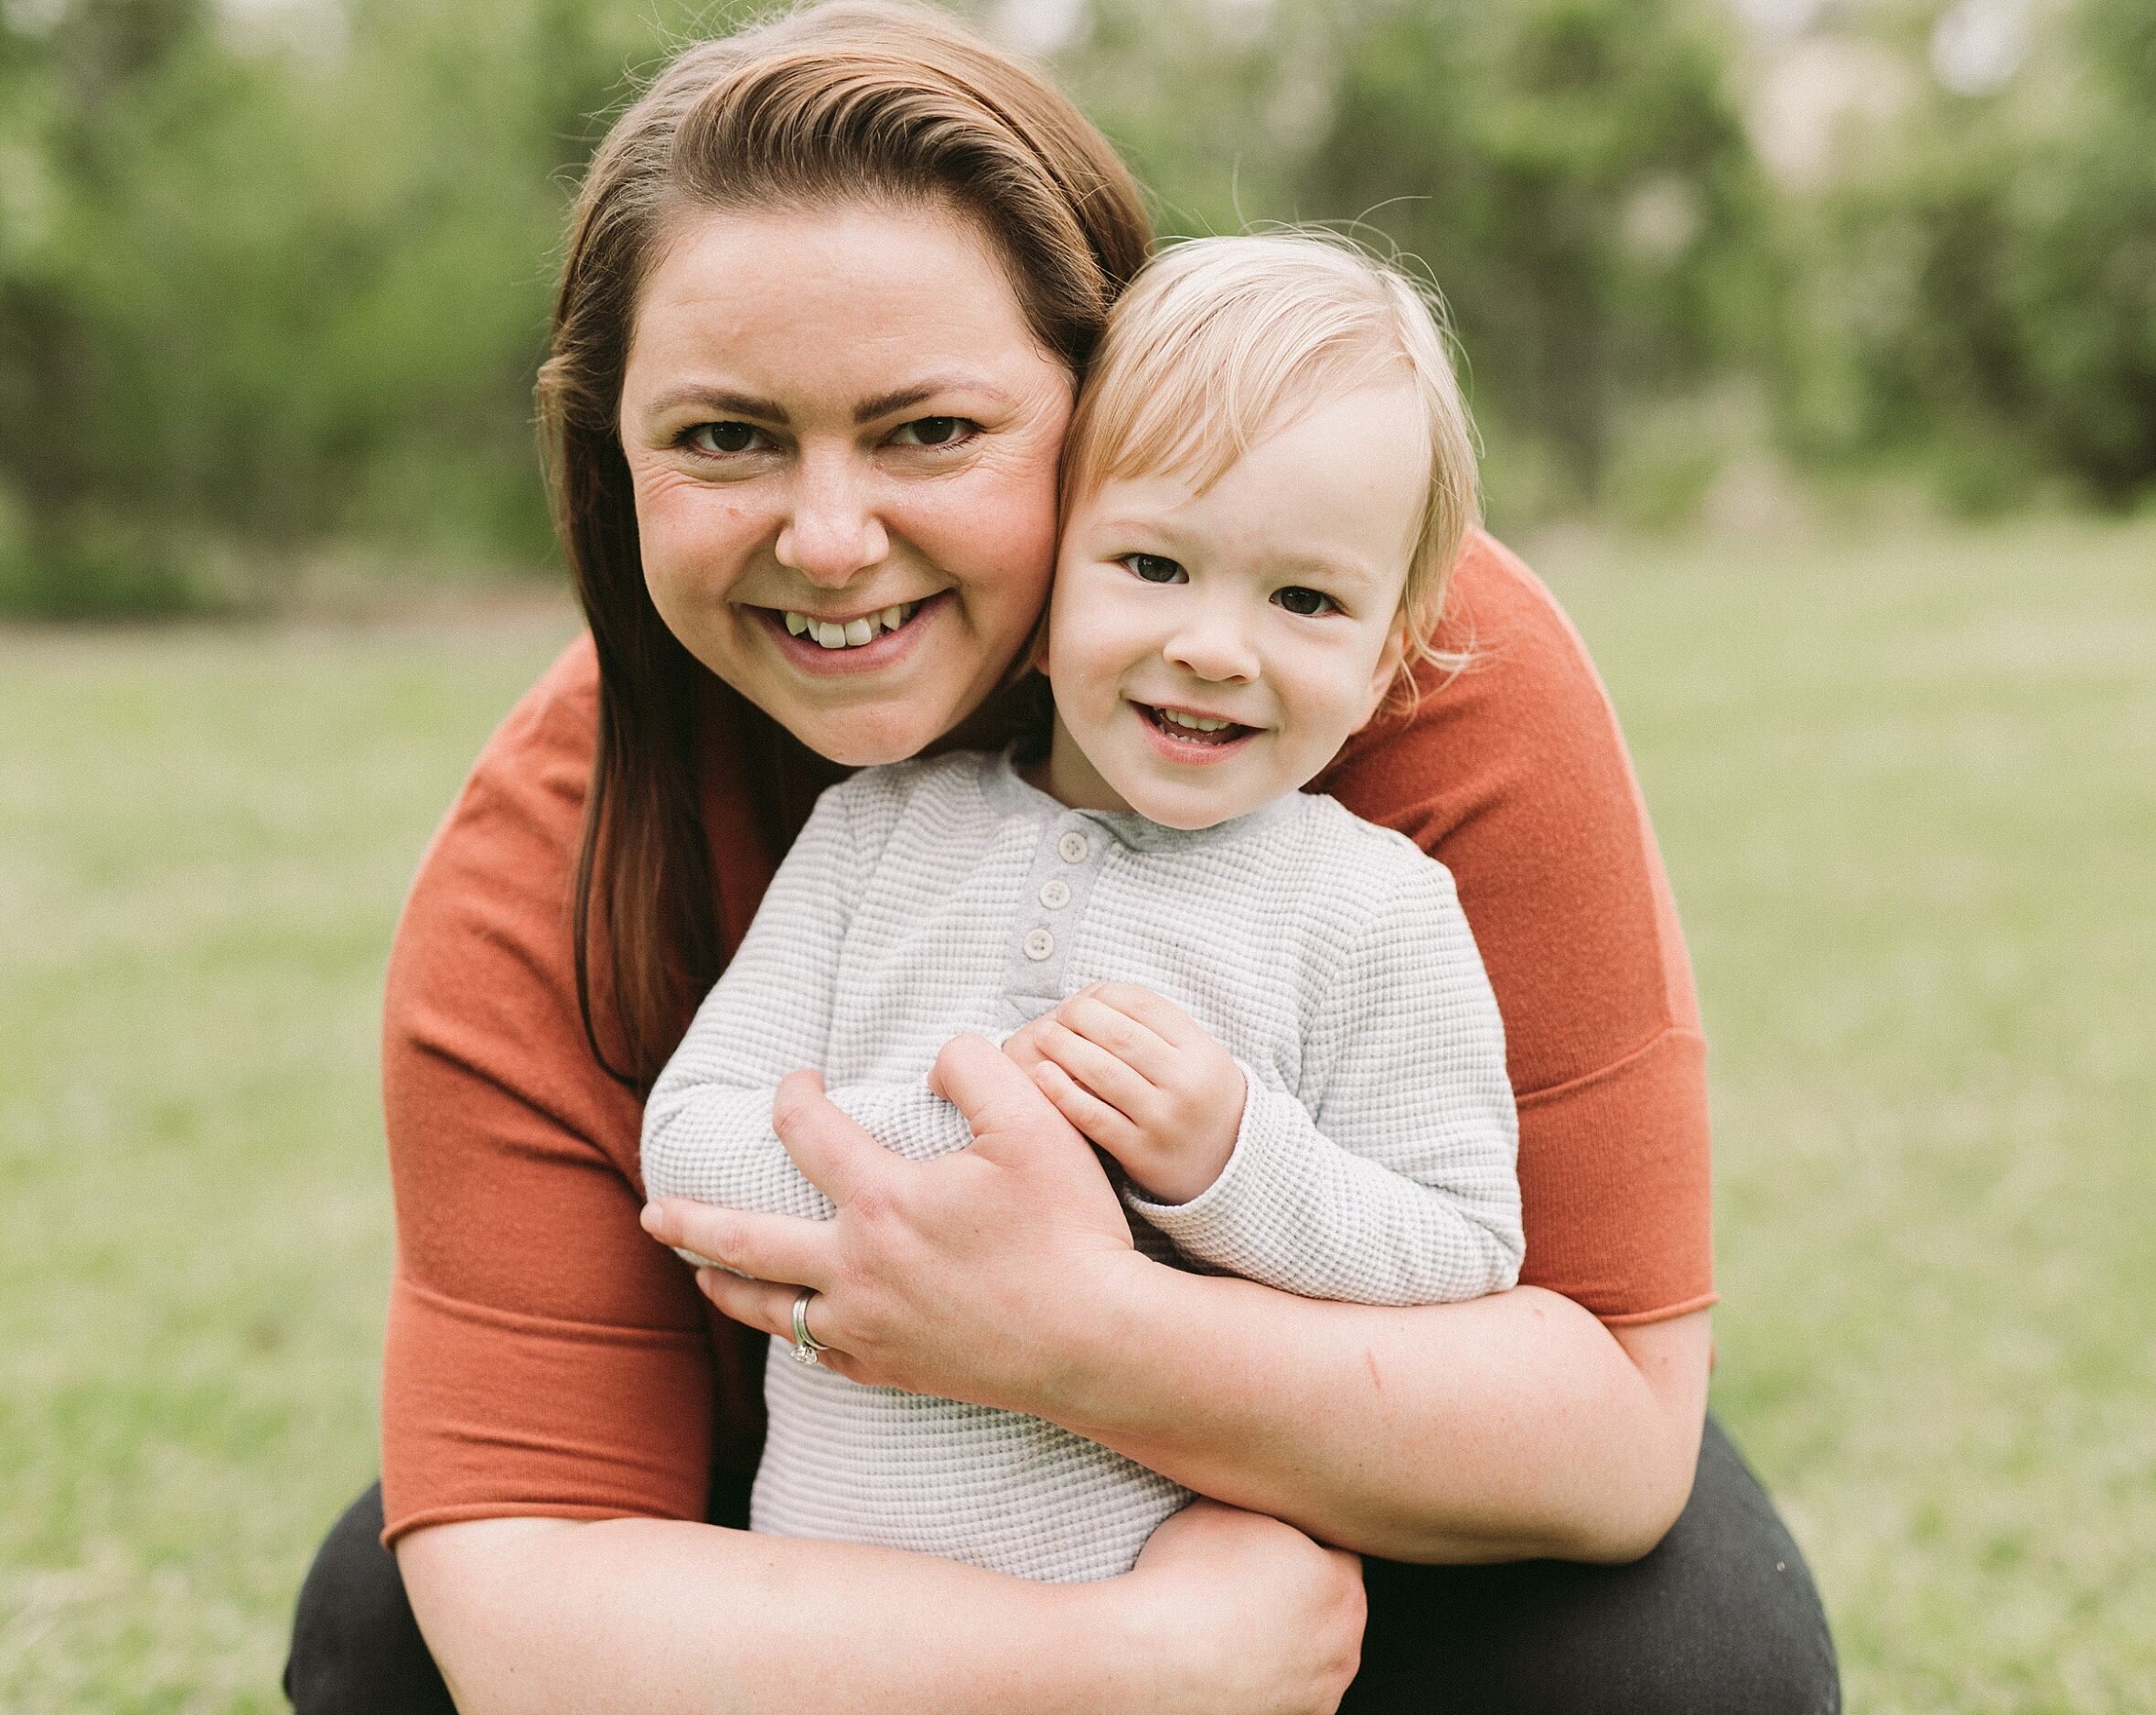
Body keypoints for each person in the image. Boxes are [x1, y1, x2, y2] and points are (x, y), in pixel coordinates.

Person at [284, 5, 1841, 1711]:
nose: (827, 541)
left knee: (1687, 1658)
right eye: (725, 436)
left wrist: (1082, 1328)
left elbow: (1607, 1435)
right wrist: (1117, 1668)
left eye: (930, 431)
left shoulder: (1402, 672)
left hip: (1291, 1512)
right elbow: (520, 1587)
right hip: (847, 1522)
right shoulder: (563, 835)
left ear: (1102, 402)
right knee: (385, 1631)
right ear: (616, 457)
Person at [639, 234, 1528, 1585]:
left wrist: (1231, 1161)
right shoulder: (880, 833)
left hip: (1166, 1627)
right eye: (1154, 569)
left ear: (1386, 656)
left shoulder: (1370, 911)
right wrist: (941, 1168)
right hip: (838, 1610)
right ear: (1047, 590)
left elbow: (1461, 1250)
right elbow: (690, 1144)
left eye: (1303, 598)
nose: (1214, 646)